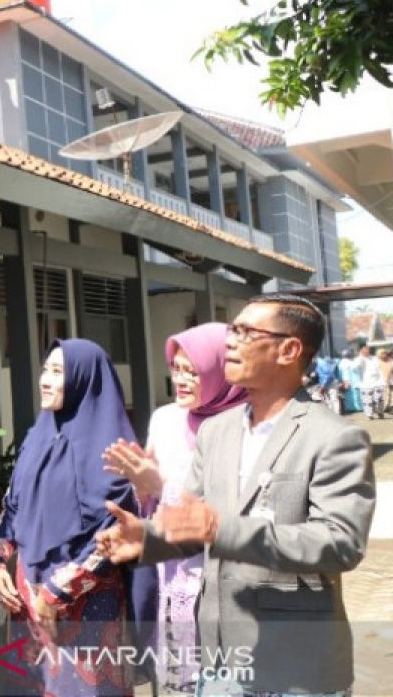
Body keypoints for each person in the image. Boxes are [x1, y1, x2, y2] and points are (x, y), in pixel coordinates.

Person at [96, 295, 376, 696]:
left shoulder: (335, 437)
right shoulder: (218, 431)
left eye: (246, 332)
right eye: (231, 331)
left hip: (296, 664)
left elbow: (341, 542)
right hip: (220, 658)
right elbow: (191, 524)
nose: (231, 341)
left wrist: (221, 528)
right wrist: (148, 537)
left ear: (289, 349)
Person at [0, 339, 138, 696]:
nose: (45, 380)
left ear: (85, 380)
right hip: (28, 599)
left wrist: (55, 593)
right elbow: (12, 506)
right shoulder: (38, 437)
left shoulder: (115, 451)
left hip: (85, 606)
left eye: (58, 372)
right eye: (45, 370)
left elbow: (114, 534)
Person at [102, 323, 248, 694]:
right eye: (176, 369)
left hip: (221, 574)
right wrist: (140, 486)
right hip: (172, 571)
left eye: (192, 371)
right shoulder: (165, 419)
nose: (180, 380)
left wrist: (159, 485)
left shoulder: (243, 424)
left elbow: (228, 510)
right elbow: (152, 504)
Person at [357, 345, 385, 420]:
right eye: (365, 349)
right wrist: (361, 356)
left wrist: (382, 381)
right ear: (361, 350)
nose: (367, 350)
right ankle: (369, 415)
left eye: (368, 349)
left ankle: (380, 412)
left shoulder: (374, 358)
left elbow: (379, 369)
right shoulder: (359, 359)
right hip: (366, 383)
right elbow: (356, 365)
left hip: (377, 382)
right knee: (367, 400)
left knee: (379, 399)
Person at [338, 348, 362, 414]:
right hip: (353, 381)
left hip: (348, 381)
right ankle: (356, 407)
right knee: (354, 395)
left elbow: (344, 373)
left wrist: (345, 382)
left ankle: (351, 408)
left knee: (349, 396)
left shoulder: (342, 363)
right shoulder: (350, 362)